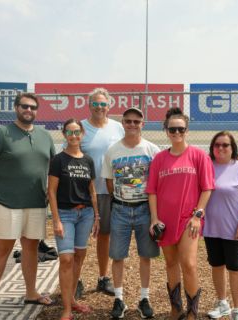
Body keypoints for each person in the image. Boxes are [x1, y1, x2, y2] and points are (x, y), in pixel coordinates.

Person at [0, 93, 55, 320]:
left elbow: (53, 169)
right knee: (1, 251)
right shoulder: (2, 134)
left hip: (35, 204)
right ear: (16, 108)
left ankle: (31, 292)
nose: (28, 110)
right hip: (6, 204)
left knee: (31, 249)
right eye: (24, 106)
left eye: (33, 107)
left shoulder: (45, 136)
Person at [146, 107, 215, 320]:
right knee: (170, 263)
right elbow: (152, 191)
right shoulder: (159, 159)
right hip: (165, 221)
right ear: (166, 130)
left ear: (187, 130)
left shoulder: (198, 156)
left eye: (181, 129)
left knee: (189, 264)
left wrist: (198, 215)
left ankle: (192, 312)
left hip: (189, 219)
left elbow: (207, 188)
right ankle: (176, 309)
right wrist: (154, 219)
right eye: (172, 129)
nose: (177, 133)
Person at [101, 107, 160, 319]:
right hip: (120, 209)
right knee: (118, 256)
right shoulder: (113, 150)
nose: (132, 125)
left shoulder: (152, 150)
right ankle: (119, 298)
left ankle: (144, 298)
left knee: (146, 255)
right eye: (128, 121)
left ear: (143, 124)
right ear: (123, 123)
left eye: (137, 121)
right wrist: (123, 197)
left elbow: (158, 182)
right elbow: (109, 182)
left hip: (145, 209)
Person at [48, 118, 100, 320]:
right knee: (66, 259)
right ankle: (66, 309)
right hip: (66, 214)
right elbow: (51, 192)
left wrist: (96, 216)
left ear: (82, 134)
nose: (74, 136)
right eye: (69, 132)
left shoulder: (87, 160)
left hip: (86, 214)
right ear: (64, 135)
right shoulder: (58, 160)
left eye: (77, 132)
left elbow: (92, 191)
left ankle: (72, 300)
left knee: (79, 257)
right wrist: (56, 220)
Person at [203, 131, 238, 320]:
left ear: (232, 147)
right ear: (212, 148)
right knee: (217, 266)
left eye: (225, 145)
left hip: (234, 229)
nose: (221, 148)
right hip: (211, 228)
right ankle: (222, 303)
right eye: (217, 145)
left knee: (235, 268)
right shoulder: (207, 166)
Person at [81, 87, 124, 296]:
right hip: (83, 191)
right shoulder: (80, 128)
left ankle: (102, 277)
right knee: (79, 238)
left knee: (104, 234)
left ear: (109, 106)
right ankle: (77, 279)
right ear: (89, 105)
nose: (99, 107)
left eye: (103, 103)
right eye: (95, 103)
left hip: (108, 190)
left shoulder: (118, 128)